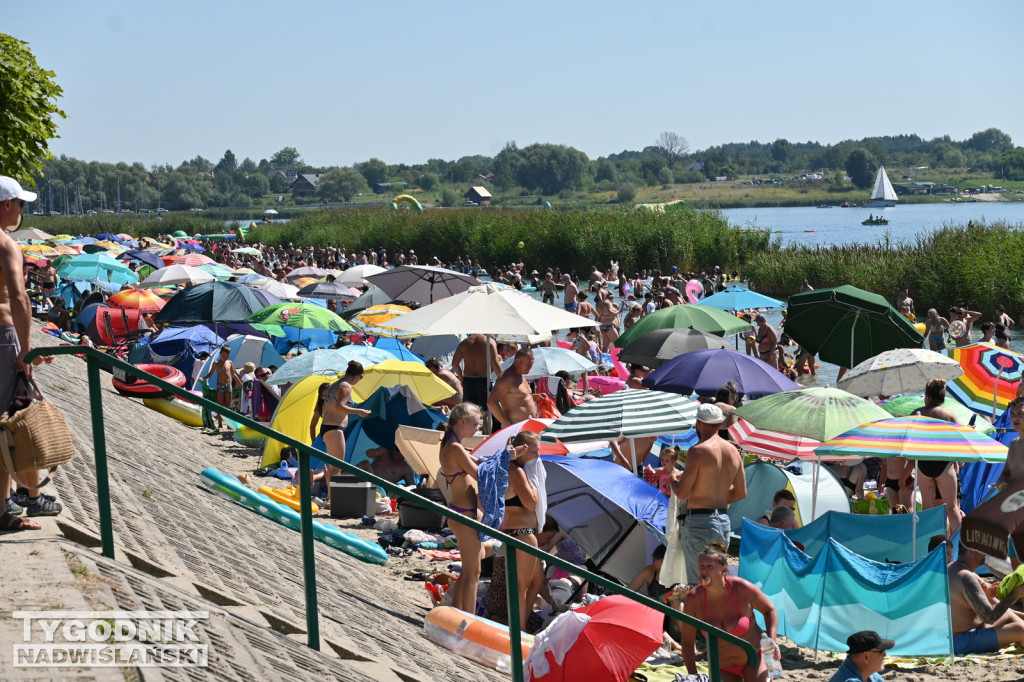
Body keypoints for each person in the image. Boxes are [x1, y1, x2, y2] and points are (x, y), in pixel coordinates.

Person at [1, 176, 59, 529]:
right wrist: (27, 349)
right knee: (11, 422)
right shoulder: (6, 244)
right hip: (2, 335)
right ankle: (22, 501)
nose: (23, 210)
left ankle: (10, 501)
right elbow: (19, 297)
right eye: (21, 204)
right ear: (6, 205)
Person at [680, 542, 779, 681]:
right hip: (722, 666)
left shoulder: (741, 588)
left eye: (710, 567)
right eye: (701, 566)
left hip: (755, 658)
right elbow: (687, 643)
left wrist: (772, 640)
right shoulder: (694, 599)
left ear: (724, 569)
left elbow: (770, 610)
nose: (704, 571)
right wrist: (693, 676)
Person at [670, 404, 746, 581]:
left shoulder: (698, 451)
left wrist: (673, 478)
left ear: (698, 423)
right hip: (723, 521)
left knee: (697, 583)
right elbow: (741, 492)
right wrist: (715, 498)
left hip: (699, 522)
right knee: (716, 582)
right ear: (720, 424)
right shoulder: (734, 451)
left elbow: (681, 493)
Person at [439, 403, 484, 613]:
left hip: (459, 512)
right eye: (475, 424)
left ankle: (456, 614)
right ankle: (468, 620)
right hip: (464, 515)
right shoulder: (455, 448)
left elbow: (477, 464)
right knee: (474, 572)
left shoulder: (452, 444)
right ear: (463, 421)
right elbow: (479, 475)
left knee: (468, 572)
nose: (477, 429)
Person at [948, 542, 1024, 654]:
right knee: (1020, 629)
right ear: (970, 551)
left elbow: (998, 609)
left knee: (1008, 615)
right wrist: (1015, 594)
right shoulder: (966, 577)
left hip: (963, 633)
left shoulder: (956, 568)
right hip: (960, 641)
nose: (987, 553)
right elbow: (990, 618)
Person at [502, 431, 545, 626]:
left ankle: (521, 625)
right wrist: (535, 486)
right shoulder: (516, 471)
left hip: (518, 532)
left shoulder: (511, 468)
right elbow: (531, 504)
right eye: (534, 452)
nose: (537, 457)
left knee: (536, 582)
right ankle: (516, 633)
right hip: (522, 534)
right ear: (523, 449)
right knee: (520, 587)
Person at [911, 379, 961, 533]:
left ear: (927, 396)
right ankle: (961, 546)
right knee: (952, 507)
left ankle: (931, 545)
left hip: (923, 464)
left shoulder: (916, 414)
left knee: (928, 508)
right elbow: (959, 441)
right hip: (943, 463)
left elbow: (910, 441)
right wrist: (957, 462)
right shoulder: (948, 414)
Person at [320, 361, 371, 480]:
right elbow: (339, 406)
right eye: (361, 377)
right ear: (357, 376)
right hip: (334, 429)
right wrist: (359, 412)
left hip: (327, 428)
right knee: (337, 467)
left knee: (333, 467)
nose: (359, 380)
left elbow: (330, 406)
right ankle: (332, 496)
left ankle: (330, 495)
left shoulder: (335, 384)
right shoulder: (346, 386)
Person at [451, 334, 501, 421]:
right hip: (484, 380)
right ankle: (487, 434)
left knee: (468, 412)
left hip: (468, 380)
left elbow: (454, 364)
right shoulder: (489, 341)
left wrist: (461, 377)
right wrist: (502, 378)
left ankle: (468, 433)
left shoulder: (464, 343)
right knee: (486, 413)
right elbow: (495, 362)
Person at [488, 348, 538, 429]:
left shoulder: (520, 376)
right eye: (527, 364)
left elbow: (518, 397)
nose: (530, 367)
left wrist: (535, 397)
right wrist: (507, 425)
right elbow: (491, 402)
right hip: (515, 426)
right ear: (517, 361)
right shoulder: (507, 378)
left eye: (532, 363)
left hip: (528, 425)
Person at [200, 346, 241, 433]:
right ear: (220, 354)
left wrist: (240, 382)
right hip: (220, 386)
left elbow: (233, 374)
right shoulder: (216, 363)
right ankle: (220, 424)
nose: (225, 357)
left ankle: (229, 424)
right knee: (220, 405)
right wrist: (203, 378)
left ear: (229, 355)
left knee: (228, 406)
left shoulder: (230, 362)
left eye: (226, 356)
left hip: (228, 385)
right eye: (223, 355)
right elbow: (210, 374)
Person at [827, 630, 895, 682]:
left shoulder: (870, 674)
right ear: (866, 657)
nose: (885, 654)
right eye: (881, 652)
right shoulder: (848, 679)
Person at [996, 396, 1024, 489]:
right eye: (1012, 413)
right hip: (1016, 501)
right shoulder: (1013, 444)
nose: (1015, 418)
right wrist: (1002, 480)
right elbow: (1006, 472)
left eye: (1020, 413)